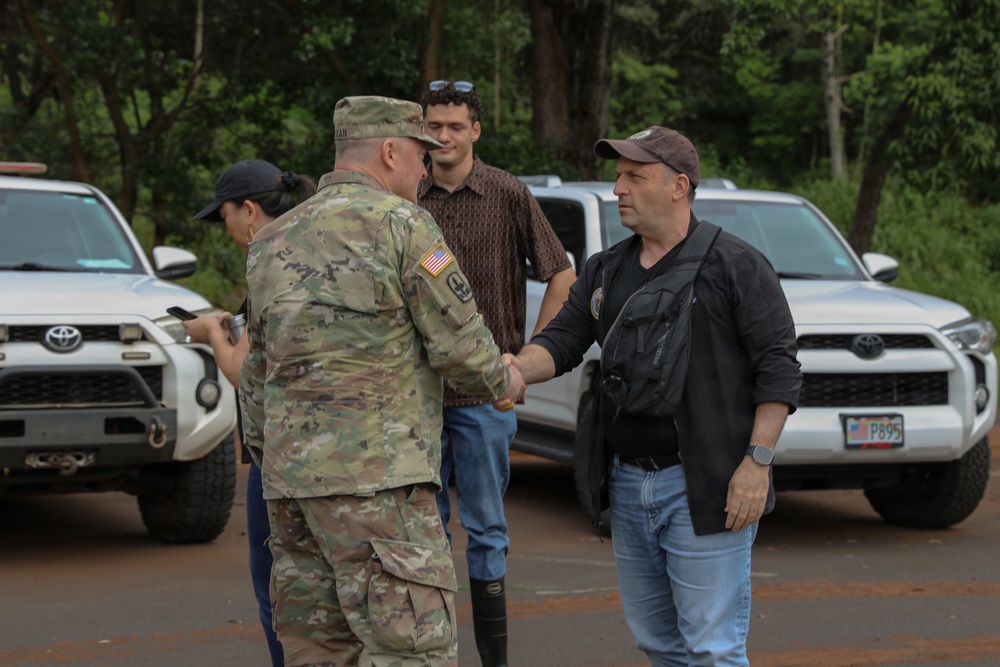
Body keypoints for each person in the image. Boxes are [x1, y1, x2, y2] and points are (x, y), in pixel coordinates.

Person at [239, 95, 526, 667]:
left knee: (320, 653)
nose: (426, 170)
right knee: (410, 653)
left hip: (293, 490)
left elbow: (256, 372)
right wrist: (503, 382)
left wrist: (272, 458)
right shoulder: (404, 225)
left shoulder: (272, 238)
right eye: (421, 154)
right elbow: (460, 344)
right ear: (391, 151)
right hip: (381, 489)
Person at [506, 126, 802, 666]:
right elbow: (562, 341)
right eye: (617, 176)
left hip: (706, 484)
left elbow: (778, 370)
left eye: (634, 177)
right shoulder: (606, 269)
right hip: (626, 481)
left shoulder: (736, 266)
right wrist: (514, 371)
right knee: (659, 645)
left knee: (712, 650)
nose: (618, 187)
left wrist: (757, 463)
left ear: (678, 186)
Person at [417, 79, 575, 667]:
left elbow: (561, 272)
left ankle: (494, 661)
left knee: (486, 531)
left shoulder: (507, 192)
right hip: (420, 398)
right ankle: (430, 650)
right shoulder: (407, 195)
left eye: (455, 126)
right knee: (422, 533)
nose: (444, 136)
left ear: (476, 131)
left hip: (486, 398)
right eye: (434, 125)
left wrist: (533, 354)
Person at [184, 158, 317, 667]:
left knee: (277, 596)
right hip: (330, 450)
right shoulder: (316, 248)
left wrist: (214, 334)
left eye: (225, 217)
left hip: (278, 455)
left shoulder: (268, 260)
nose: (227, 229)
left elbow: (243, 372)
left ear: (249, 210)